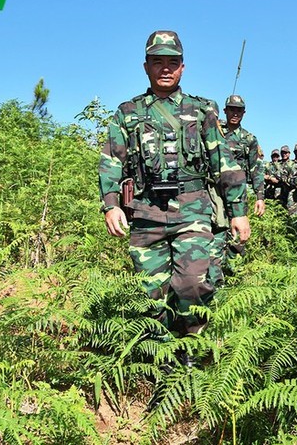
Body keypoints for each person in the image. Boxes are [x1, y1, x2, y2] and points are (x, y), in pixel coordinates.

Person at [98, 30, 250, 338]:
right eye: (157, 62)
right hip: (145, 212)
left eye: (172, 62)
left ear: (182, 68)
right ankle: (162, 356)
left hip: (192, 209)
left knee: (192, 284)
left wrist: (238, 210)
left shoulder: (201, 110)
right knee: (152, 294)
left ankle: (191, 344)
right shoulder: (128, 113)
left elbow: (224, 161)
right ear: (146, 67)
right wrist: (111, 205)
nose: (165, 68)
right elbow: (111, 160)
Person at [209, 94, 265, 287]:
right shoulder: (215, 132)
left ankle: (234, 277)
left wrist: (259, 196)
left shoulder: (248, 139)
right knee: (215, 233)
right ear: (225, 111)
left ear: (244, 113)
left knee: (237, 237)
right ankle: (215, 280)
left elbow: (256, 168)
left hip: (238, 195)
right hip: (214, 194)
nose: (235, 113)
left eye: (238, 110)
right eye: (231, 109)